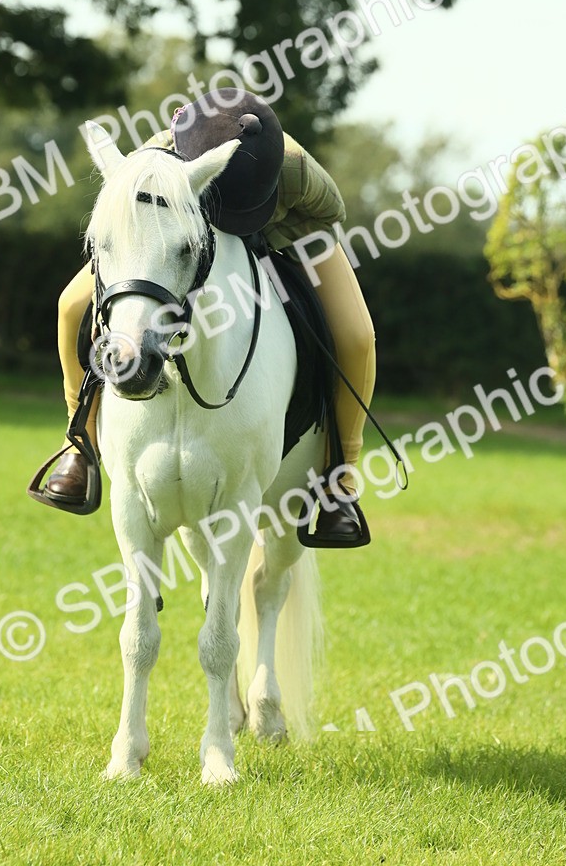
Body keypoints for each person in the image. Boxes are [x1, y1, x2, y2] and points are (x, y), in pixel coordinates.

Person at [37, 89, 376, 546]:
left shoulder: (294, 170)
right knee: (69, 304)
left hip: (290, 229)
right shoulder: (161, 152)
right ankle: (78, 443)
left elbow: (330, 215)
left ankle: (341, 478)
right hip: (180, 228)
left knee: (358, 337)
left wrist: (266, 239)